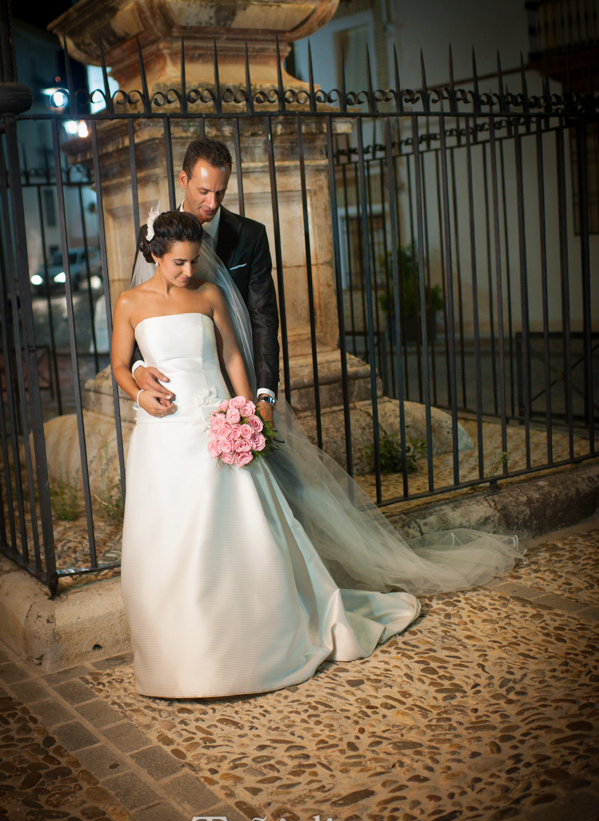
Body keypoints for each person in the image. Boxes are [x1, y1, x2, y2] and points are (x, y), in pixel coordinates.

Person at [113, 210, 524, 700]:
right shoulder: (129, 303)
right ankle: (177, 657)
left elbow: (231, 357)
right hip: (163, 438)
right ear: (156, 254)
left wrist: (246, 412)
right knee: (170, 544)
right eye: (179, 262)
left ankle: (255, 642)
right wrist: (139, 393)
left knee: (234, 535)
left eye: (194, 261)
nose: (188, 271)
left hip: (213, 426)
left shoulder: (208, 295)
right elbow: (120, 364)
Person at [130, 137, 279, 426]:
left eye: (220, 192)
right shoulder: (150, 234)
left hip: (240, 375)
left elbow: (264, 317)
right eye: (203, 191)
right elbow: (139, 308)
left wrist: (265, 395)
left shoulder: (251, 236)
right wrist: (137, 367)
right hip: (174, 386)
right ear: (183, 179)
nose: (212, 203)